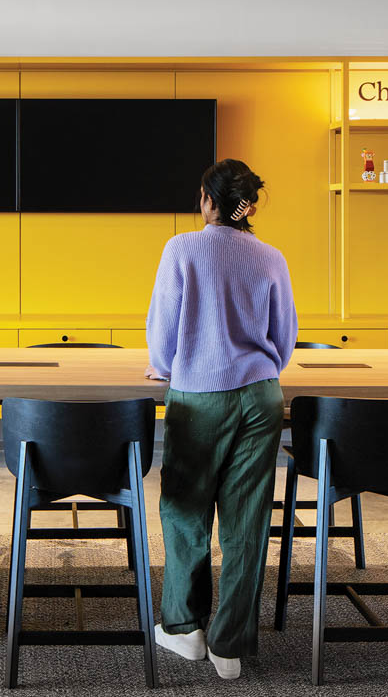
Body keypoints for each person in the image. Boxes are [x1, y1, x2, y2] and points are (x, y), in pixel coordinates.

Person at [145, 159, 297, 681]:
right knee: (247, 519)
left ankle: (185, 628)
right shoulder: (271, 257)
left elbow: (164, 327)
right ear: (247, 207)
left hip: (198, 398)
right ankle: (229, 647)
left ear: (208, 200)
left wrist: (164, 367)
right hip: (260, 397)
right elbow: (284, 338)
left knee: (185, 510)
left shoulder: (181, 249)